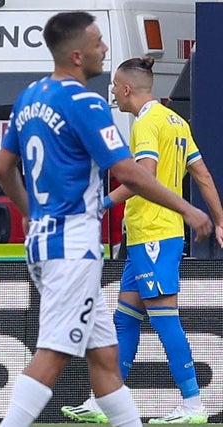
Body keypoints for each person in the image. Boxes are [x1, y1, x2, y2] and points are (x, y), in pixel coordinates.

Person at [0, 12, 212, 427]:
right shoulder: (86, 103)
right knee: (54, 352)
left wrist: (31, 213)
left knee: (106, 356)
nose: (105, 49)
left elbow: (4, 169)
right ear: (77, 55)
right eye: (98, 43)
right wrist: (187, 208)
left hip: (45, 239)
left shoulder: (29, 97)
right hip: (73, 243)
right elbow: (130, 172)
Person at [60, 56, 223, 425]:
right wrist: (220, 221)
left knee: (166, 320)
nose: (113, 92)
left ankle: (194, 405)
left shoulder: (148, 122)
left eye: (115, 86)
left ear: (127, 88)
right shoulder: (175, 121)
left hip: (154, 234)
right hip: (146, 237)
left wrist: (100, 204)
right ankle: (107, 403)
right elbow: (203, 175)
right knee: (125, 320)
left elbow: (141, 178)